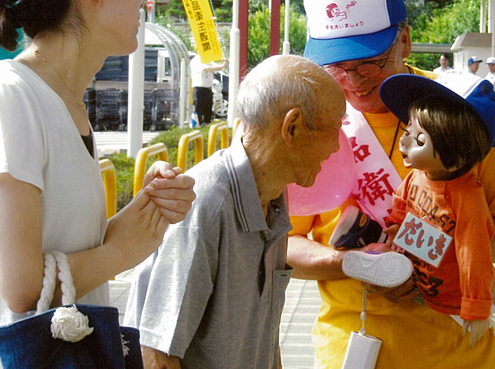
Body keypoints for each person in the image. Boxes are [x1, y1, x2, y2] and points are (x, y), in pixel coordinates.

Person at [0, 0, 196, 368]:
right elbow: (23, 286)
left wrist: (147, 213)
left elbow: (75, 252)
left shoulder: (64, 103)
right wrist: (122, 252)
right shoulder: (9, 93)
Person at [290, 0, 495, 369]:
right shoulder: (304, 120)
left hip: (462, 351)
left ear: (405, 39)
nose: (355, 80)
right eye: (337, 66)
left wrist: (438, 259)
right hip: (353, 349)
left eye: (370, 61)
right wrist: (355, 265)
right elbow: (281, 245)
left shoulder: (462, 109)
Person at [123, 55, 347, 369]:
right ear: (292, 127)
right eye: (334, 129)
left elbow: (264, 332)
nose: (337, 147)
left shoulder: (274, 195)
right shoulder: (206, 202)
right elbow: (157, 354)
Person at [380, 72, 495, 348]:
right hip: (419, 284)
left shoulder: (467, 201)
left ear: (454, 161)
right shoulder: (420, 174)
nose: (405, 142)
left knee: (457, 335)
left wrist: (475, 309)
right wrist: (395, 223)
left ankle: (485, 318)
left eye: (419, 140)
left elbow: (474, 256)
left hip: (451, 300)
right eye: (408, 131)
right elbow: (402, 198)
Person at [190, 53, 229, 125]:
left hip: (208, 89)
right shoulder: (196, 60)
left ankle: (206, 126)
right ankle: (198, 127)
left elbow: (216, 68)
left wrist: (223, 63)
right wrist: (222, 65)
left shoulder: (207, 60)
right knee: (199, 112)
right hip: (199, 89)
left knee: (208, 113)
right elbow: (206, 69)